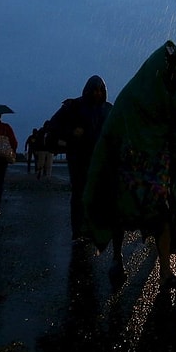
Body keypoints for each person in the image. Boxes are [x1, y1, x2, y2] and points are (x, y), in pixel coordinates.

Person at [83, 40, 176, 289]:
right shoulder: (133, 96)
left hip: (158, 166)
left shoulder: (172, 94)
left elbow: (175, 128)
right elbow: (114, 131)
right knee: (122, 212)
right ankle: (117, 258)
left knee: (162, 212)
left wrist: (175, 155)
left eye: (174, 69)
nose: (171, 74)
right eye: (167, 68)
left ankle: (165, 271)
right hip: (131, 163)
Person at [49, 75, 113, 241]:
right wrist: (71, 132)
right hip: (77, 156)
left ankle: (89, 228)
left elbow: (117, 131)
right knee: (79, 193)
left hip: (99, 158)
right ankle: (77, 231)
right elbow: (53, 125)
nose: (97, 93)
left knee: (95, 194)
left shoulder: (108, 109)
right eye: (94, 90)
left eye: (100, 90)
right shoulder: (74, 106)